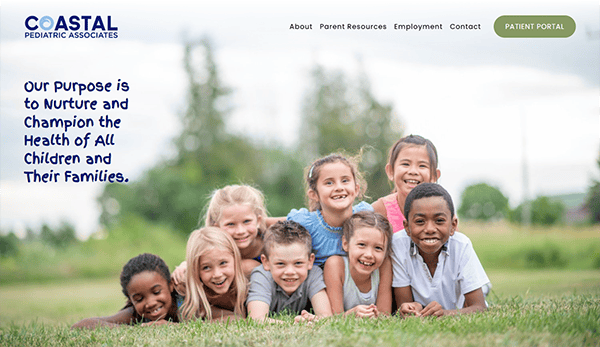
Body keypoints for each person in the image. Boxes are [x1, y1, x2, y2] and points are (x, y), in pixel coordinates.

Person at [392, 183, 489, 317]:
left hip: (457, 309)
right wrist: (410, 309)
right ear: (407, 227)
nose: (430, 229)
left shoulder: (461, 245)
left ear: (453, 225)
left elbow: (479, 307)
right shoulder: (398, 244)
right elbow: (404, 305)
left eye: (439, 220)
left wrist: (444, 313)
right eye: (420, 221)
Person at [282, 152, 373, 267]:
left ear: (356, 189)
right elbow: (268, 224)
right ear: (314, 194)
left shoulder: (365, 215)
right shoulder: (306, 223)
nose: (339, 188)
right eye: (329, 183)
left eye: (345, 180)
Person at [172, 184, 268, 289]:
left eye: (246, 221)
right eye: (231, 224)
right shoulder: (214, 249)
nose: (240, 231)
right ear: (217, 228)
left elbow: (288, 220)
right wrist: (187, 265)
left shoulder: (271, 242)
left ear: (258, 221)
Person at [246, 220, 332, 323]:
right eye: (281, 264)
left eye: (298, 263)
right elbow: (256, 319)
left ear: (310, 261)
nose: (290, 271)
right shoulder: (262, 276)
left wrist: (312, 320)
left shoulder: (313, 274)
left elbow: (326, 317)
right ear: (266, 262)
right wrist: (293, 325)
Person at [71, 253, 179, 329]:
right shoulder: (135, 314)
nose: (150, 303)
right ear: (131, 300)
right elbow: (80, 326)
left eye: (156, 292)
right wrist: (140, 330)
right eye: (139, 299)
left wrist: (173, 326)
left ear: (170, 285)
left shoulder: (186, 303)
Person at [324, 211, 393, 318]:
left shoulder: (384, 265)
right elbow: (334, 318)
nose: (369, 255)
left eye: (378, 248)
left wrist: (375, 315)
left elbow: (385, 314)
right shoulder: (336, 265)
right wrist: (352, 314)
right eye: (362, 244)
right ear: (346, 244)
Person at [372, 135, 440, 234]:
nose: (413, 171)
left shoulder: (442, 212)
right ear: (391, 171)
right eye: (405, 164)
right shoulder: (379, 211)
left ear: (434, 176)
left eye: (422, 165)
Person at [178, 227, 247, 322]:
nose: (217, 274)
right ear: (196, 270)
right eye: (206, 267)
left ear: (235, 258)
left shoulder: (250, 275)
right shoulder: (183, 287)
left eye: (223, 263)